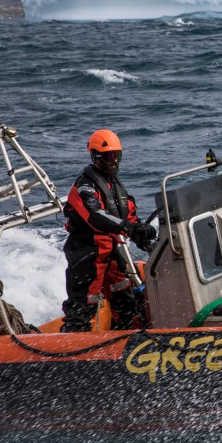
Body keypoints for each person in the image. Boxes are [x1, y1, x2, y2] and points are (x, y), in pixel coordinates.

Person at [61, 129, 157, 332]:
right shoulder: (84, 187)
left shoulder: (115, 185)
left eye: (117, 156)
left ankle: (121, 342)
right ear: (96, 157)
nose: (114, 161)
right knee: (83, 307)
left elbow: (126, 212)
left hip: (112, 253)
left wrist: (139, 231)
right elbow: (96, 216)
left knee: (126, 301)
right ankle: (70, 350)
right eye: (109, 156)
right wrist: (128, 227)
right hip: (88, 254)